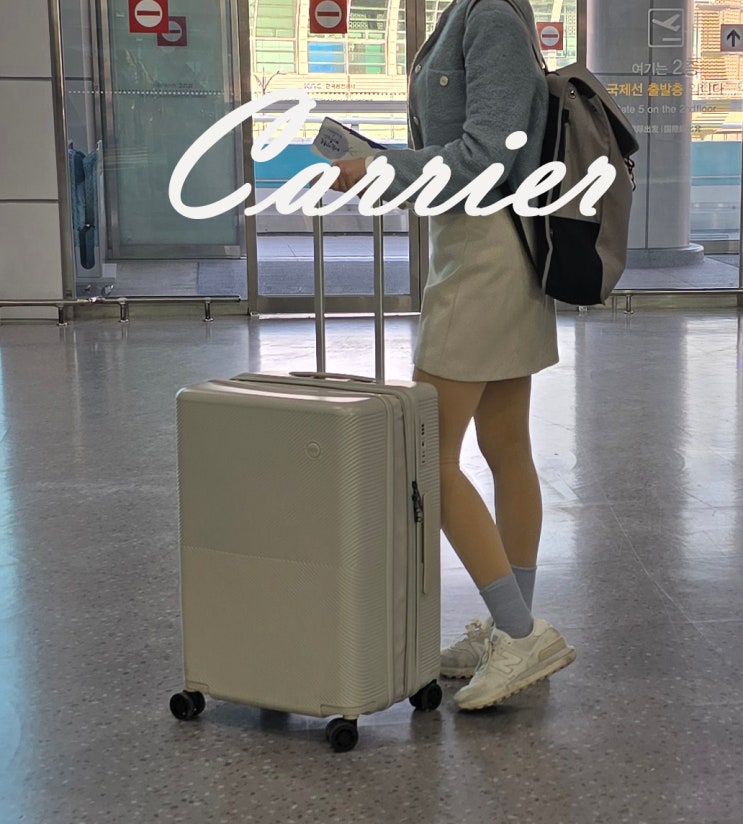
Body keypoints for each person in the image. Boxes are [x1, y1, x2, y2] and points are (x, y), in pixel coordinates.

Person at [331, 0, 575, 711]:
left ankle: (519, 633)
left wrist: (380, 168)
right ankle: (509, 627)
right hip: (487, 245)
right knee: (505, 446)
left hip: (484, 253)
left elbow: (486, 156)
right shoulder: (472, 11)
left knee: (426, 457)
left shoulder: (489, 16)